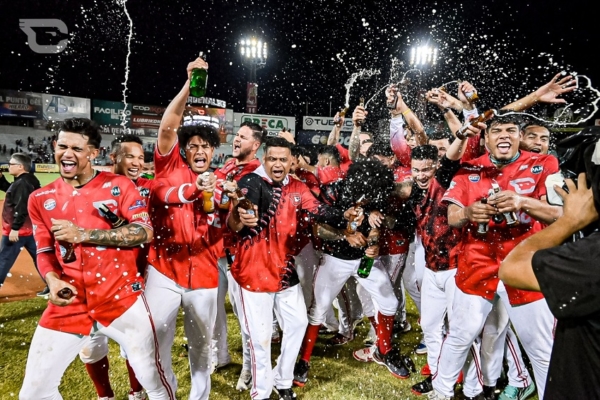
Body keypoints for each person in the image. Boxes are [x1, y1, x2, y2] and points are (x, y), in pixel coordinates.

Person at [20, 118, 173, 400]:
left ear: (93, 153)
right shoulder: (40, 198)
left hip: (121, 299)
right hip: (70, 302)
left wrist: (85, 234)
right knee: (33, 393)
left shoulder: (119, 186)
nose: (67, 154)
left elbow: (144, 231)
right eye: (62, 146)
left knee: (154, 380)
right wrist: (52, 281)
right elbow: (43, 251)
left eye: (76, 149)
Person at [428, 115, 563, 400]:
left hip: (525, 266)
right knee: (460, 337)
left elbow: (559, 215)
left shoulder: (543, 164)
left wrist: (522, 201)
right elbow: (451, 216)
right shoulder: (469, 168)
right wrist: (467, 213)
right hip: (476, 265)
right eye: (497, 131)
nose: (504, 135)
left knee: (541, 347)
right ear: (486, 139)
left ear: (520, 136)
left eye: (511, 130)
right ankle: (440, 394)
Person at [228, 137, 353, 400]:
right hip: (253, 273)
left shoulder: (297, 186)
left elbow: (319, 210)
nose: (277, 164)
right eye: (272, 158)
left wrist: (345, 215)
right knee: (260, 339)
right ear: (264, 159)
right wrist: (243, 213)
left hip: (284, 272)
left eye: (283, 159)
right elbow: (240, 214)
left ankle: (282, 379)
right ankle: (260, 392)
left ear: (291, 162)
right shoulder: (250, 182)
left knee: (297, 324)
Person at [144, 57, 225, 399]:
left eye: (205, 145)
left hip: (205, 272)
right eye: (192, 144)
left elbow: (226, 224)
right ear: (182, 149)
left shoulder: (222, 182)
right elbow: (167, 127)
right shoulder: (168, 166)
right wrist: (188, 83)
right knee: (155, 340)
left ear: (213, 151)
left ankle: (199, 396)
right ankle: (166, 393)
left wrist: (234, 207)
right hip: (164, 268)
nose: (199, 149)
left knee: (202, 348)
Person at [499, 130, 600, 400]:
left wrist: (570, 221)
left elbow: (512, 268)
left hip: (582, 386)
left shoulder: (592, 257)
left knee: (543, 349)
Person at [78, 134, 151, 400]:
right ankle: (105, 395)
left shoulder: (147, 188)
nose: (136, 162)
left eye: (141, 157)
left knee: (135, 341)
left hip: (135, 277)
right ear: (114, 158)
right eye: (130, 156)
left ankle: (137, 391)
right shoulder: (91, 187)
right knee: (91, 343)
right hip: (93, 279)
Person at [211, 121, 264, 390]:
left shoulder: (257, 173)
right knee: (213, 309)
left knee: (245, 316)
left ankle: (249, 367)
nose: (236, 140)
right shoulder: (228, 166)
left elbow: (244, 217)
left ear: (255, 145)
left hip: (239, 252)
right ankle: (220, 355)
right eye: (236, 136)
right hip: (215, 249)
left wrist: (231, 198)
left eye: (242, 138)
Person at [0, 153, 41, 290]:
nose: (8, 166)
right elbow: (12, 192)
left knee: (4, 260)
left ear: (20, 166)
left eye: (11, 164)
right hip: (30, 230)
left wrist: (15, 228)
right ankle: (52, 283)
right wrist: (1, 180)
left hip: (18, 231)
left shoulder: (22, 183)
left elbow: (22, 206)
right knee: (41, 258)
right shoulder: (27, 180)